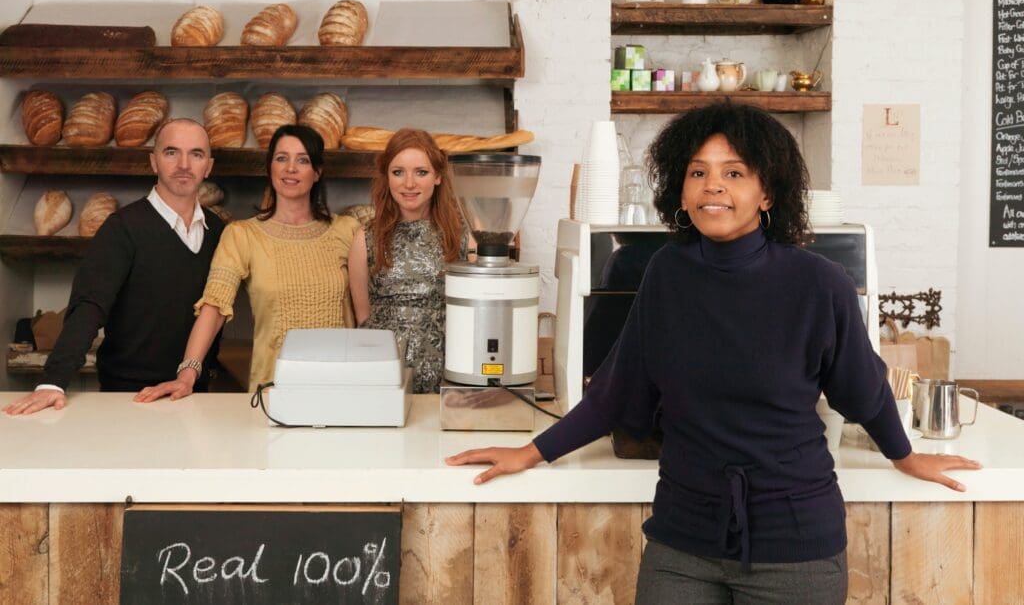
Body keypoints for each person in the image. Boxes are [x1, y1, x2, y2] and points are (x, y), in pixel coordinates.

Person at [446, 103, 981, 604]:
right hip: (682, 541)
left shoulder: (819, 283)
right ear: (681, 191)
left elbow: (863, 389)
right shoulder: (666, 275)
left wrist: (906, 456)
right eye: (698, 173)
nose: (713, 187)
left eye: (734, 173)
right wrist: (530, 452)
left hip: (795, 547)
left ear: (767, 193)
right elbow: (617, 391)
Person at [3, 119, 224, 415]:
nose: (184, 164)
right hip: (128, 396)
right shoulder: (122, 228)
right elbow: (89, 305)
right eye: (171, 152)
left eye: (195, 154)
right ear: (154, 162)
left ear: (208, 166)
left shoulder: (218, 232)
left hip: (193, 394)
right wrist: (53, 381)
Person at [135, 124, 359, 401]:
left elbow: (367, 314)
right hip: (274, 391)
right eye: (281, 158)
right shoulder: (243, 235)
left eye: (302, 160)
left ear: (317, 172)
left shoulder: (347, 231)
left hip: (345, 388)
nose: (290, 168)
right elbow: (215, 305)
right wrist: (188, 373)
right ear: (270, 168)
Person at [348, 128, 465, 393]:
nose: (409, 184)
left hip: (448, 378)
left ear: (437, 177)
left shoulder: (463, 238)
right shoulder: (365, 239)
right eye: (398, 172)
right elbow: (364, 320)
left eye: (421, 172)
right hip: (384, 379)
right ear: (387, 178)